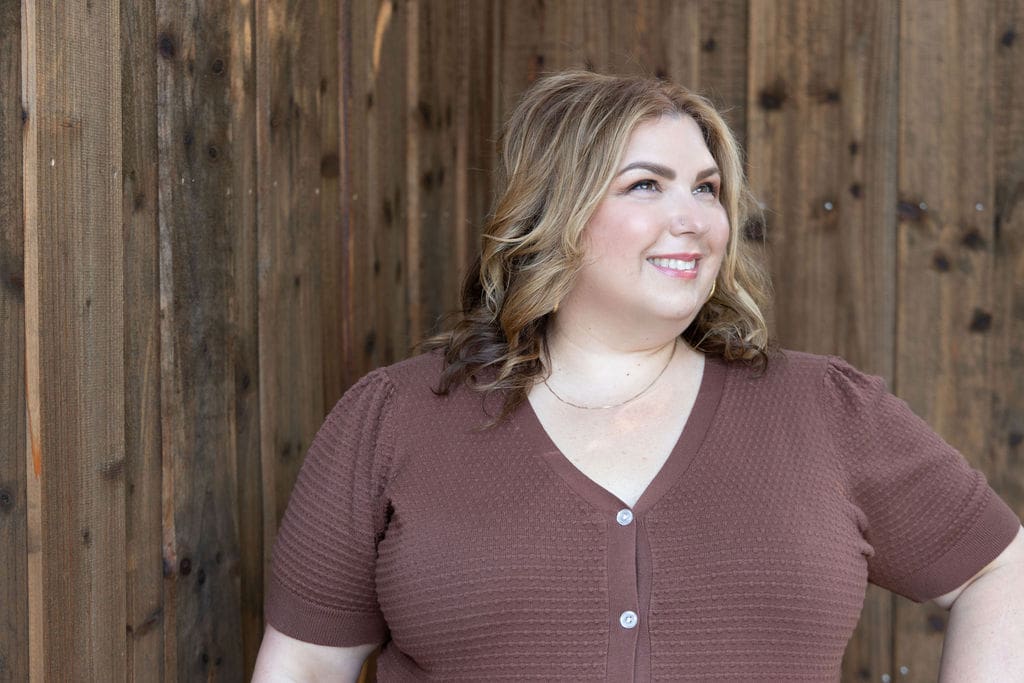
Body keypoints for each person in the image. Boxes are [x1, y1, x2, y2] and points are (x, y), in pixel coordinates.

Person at [253, 71, 1023, 681]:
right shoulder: (396, 418)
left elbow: (999, 568)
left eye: (707, 187)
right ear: (555, 212)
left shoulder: (823, 409)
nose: (692, 217)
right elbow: (308, 665)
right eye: (646, 184)